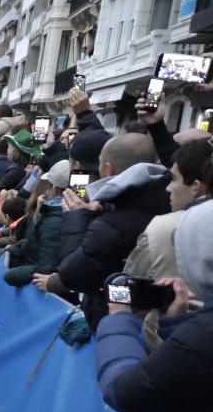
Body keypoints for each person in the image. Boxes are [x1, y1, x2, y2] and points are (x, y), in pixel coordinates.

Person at [96, 200, 213, 412]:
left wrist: (120, 318)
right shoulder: (201, 334)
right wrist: (177, 324)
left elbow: (125, 391)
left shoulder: (205, 337)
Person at [35, 132, 167, 323]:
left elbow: (72, 272)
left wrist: (76, 215)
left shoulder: (110, 225)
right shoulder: (165, 196)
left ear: (108, 168)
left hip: (116, 320)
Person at [124, 136, 212, 286]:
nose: (168, 188)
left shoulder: (162, 228)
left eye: (173, 179)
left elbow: (128, 286)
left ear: (196, 187)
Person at [5, 162, 70, 287]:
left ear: (54, 188)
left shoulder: (54, 221)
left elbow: (46, 268)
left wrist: (13, 275)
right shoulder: (48, 213)